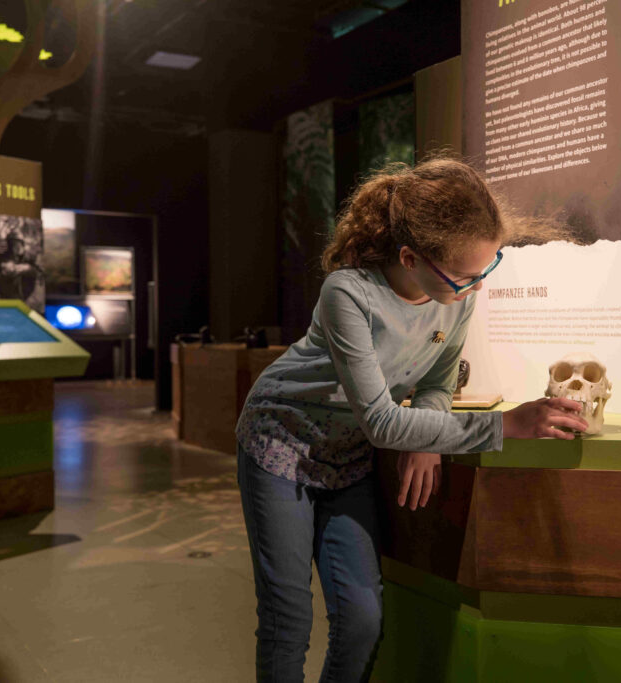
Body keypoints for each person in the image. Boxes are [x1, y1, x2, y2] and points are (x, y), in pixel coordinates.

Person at [235, 158, 590, 682]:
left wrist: (427, 438)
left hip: (347, 454)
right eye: (467, 276)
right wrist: (504, 426)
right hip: (283, 439)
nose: (477, 287)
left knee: (361, 618)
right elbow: (381, 422)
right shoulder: (348, 293)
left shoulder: (455, 297)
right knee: (289, 619)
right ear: (410, 257)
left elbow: (437, 384)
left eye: (486, 270)